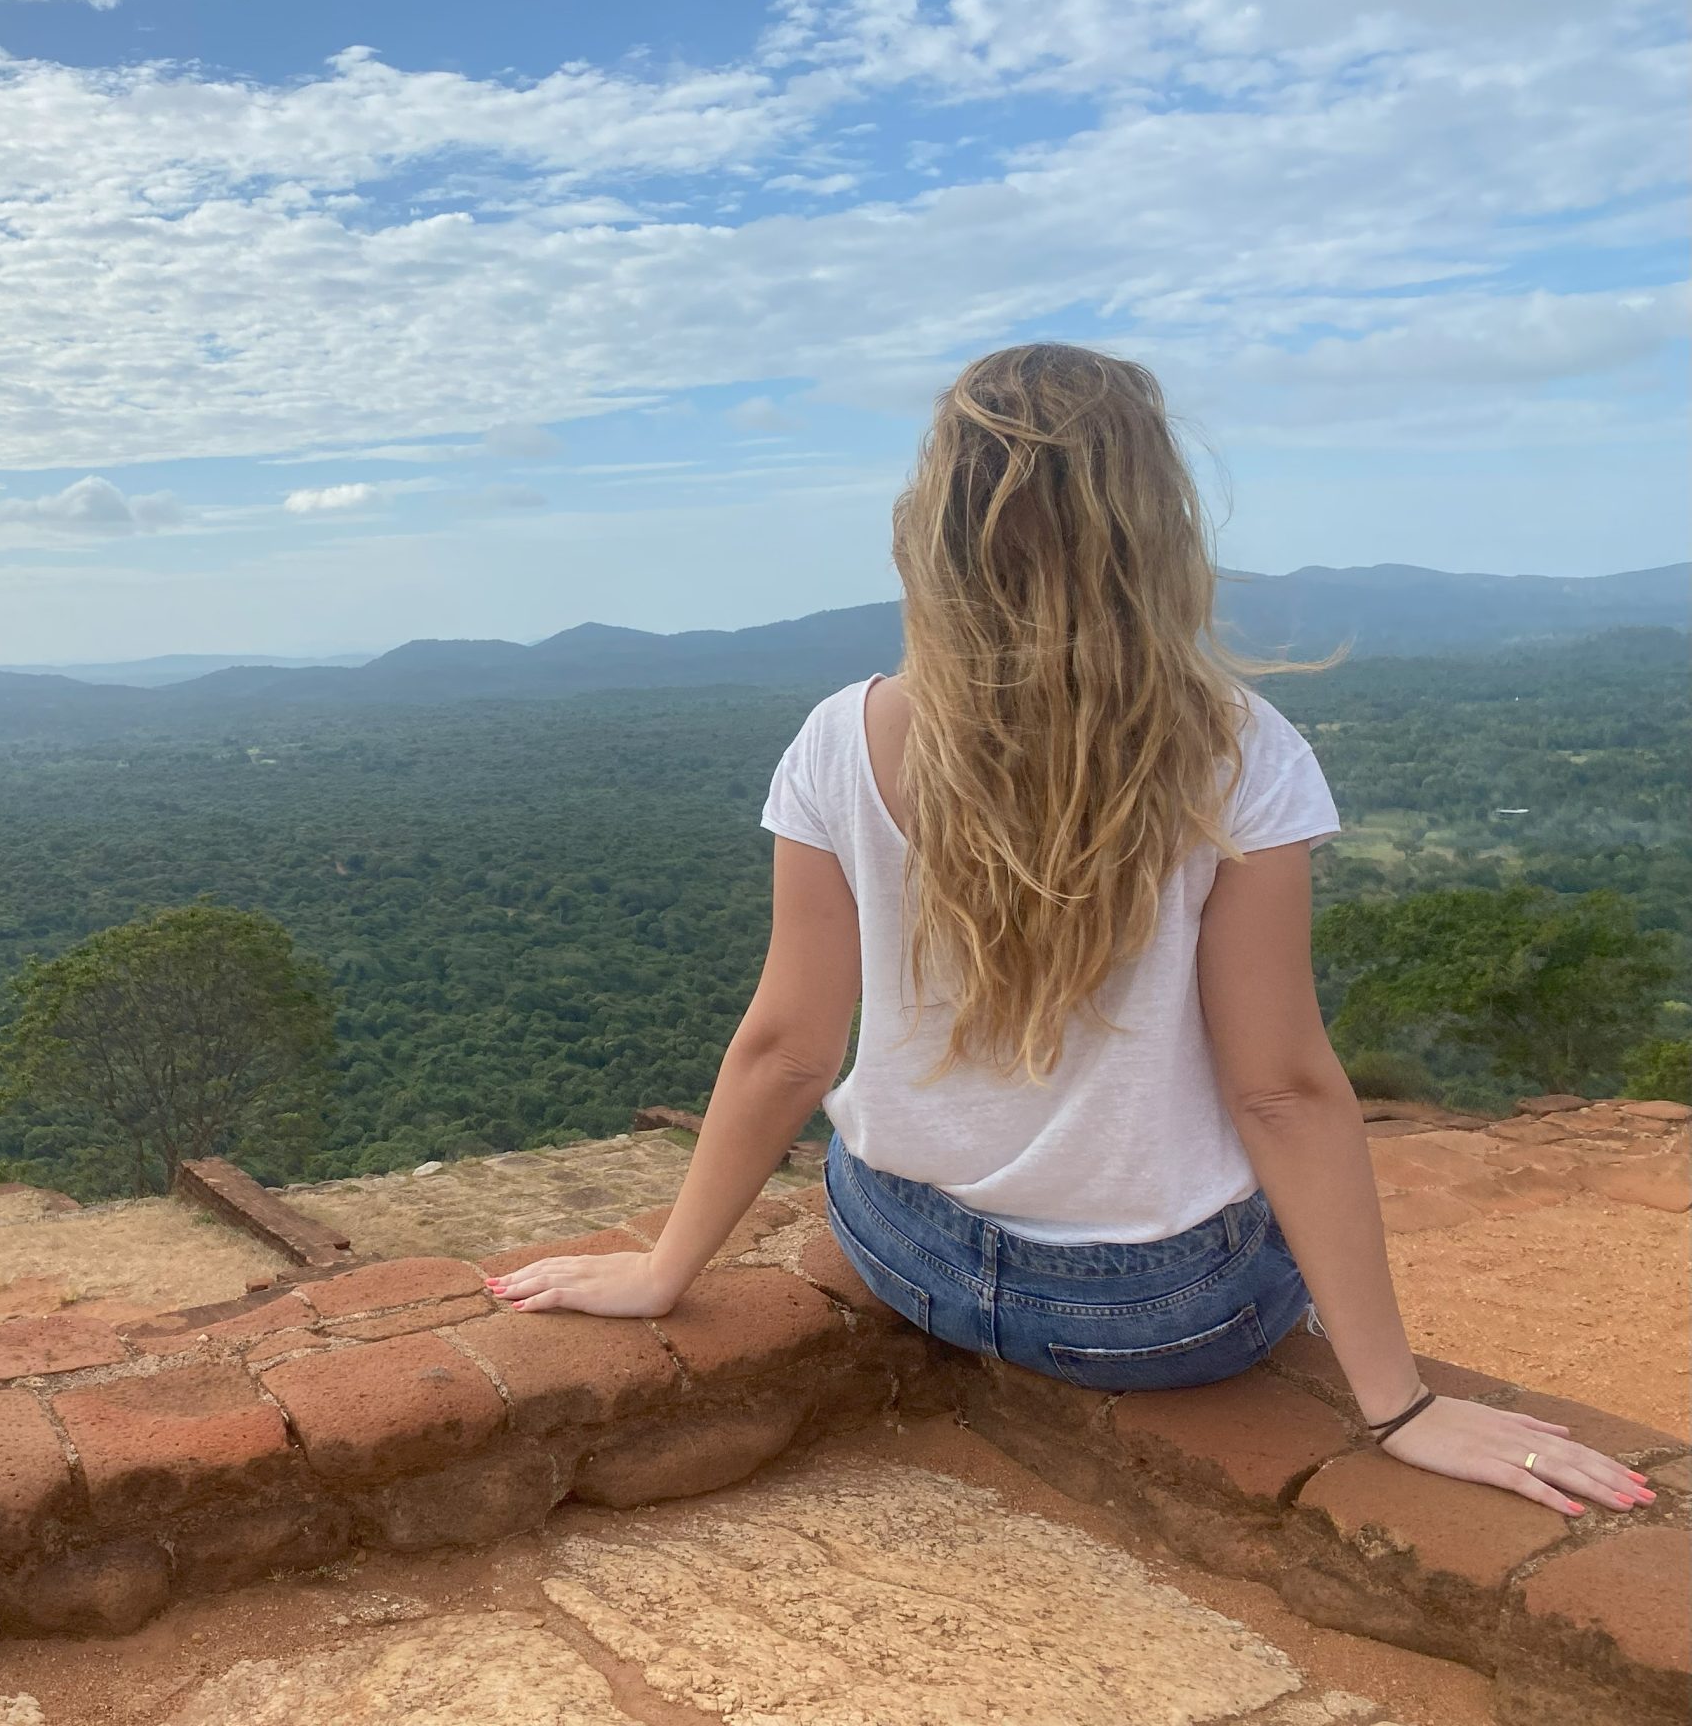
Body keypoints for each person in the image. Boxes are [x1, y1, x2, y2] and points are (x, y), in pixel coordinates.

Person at [487, 343, 1652, 1518]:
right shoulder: (1239, 751)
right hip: (1161, 1318)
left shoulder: (840, 738)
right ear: (1154, 527)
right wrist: (1397, 1406)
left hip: (906, 1254)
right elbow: (1283, 1092)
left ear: (930, 528)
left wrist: (664, 1271)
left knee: (859, 1133)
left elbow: (787, 1049)